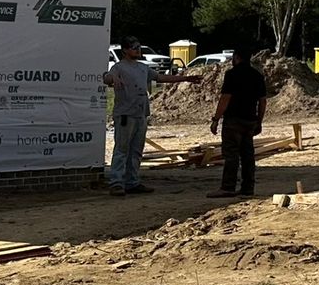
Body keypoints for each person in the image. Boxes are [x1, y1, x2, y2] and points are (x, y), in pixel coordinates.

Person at [103, 37, 201, 196]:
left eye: (138, 47)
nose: (137, 50)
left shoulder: (143, 68)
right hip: (125, 115)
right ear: (125, 50)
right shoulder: (118, 67)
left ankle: (132, 182)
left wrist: (185, 78)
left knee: (136, 150)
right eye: (134, 47)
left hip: (141, 114)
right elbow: (107, 77)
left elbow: (161, 78)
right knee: (122, 150)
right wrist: (112, 78)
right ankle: (116, 183)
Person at [209, 46, 269, 198]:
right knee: (248, 156)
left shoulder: (232, 74)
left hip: (233, 119)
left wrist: (216, 119)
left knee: (231, 154)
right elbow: (262, 101)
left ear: (236, 57)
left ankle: (228, 187)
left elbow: (225, 98)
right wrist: (259, 121)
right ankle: (248, 188)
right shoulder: (257, 75)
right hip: (250, 119)